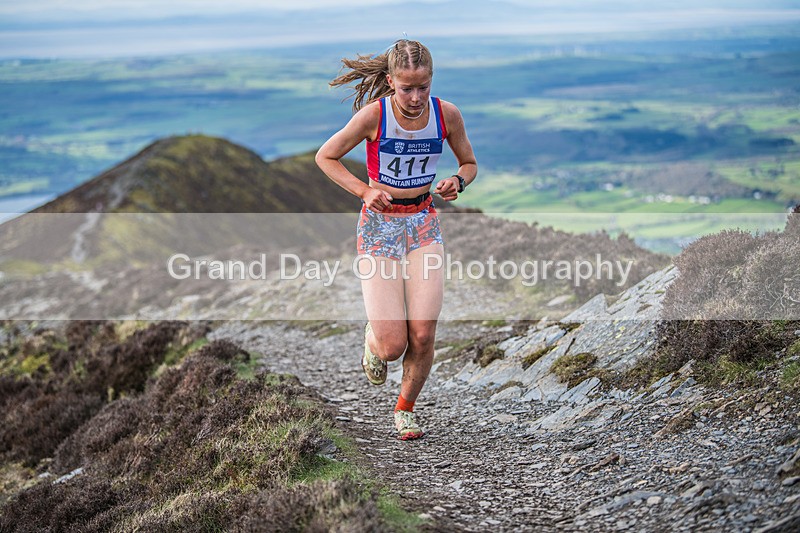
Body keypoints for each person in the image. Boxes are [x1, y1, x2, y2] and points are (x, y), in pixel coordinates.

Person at [315, 39, 477, 440]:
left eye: (423, 86)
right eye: (406, 87)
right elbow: (326, 157)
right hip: (379, 228)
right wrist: (364, 191)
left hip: (423, 222)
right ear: (391, 82)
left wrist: (457, 180)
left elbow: (469, 163)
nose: (416, 97)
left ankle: (405, 409)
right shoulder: (375, 116)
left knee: (422, 333)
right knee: (392, 346)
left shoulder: (446, 115)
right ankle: (373, 340)